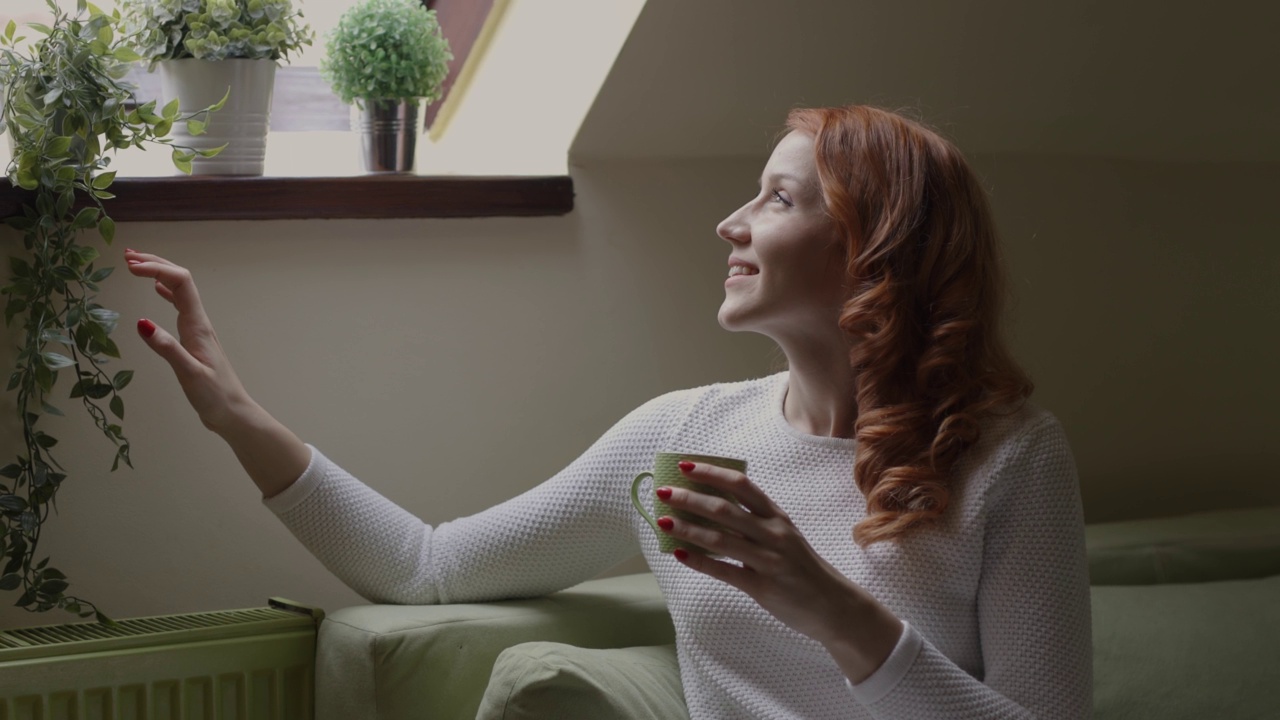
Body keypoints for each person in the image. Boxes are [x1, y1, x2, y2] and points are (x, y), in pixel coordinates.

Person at [124, 105, 1092, 719]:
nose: (730, 222)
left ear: (871, 251)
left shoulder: (1006, 459)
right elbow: (428, 569)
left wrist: (832, 611)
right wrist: (235, 414)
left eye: (776, 198)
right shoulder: (683, 436)